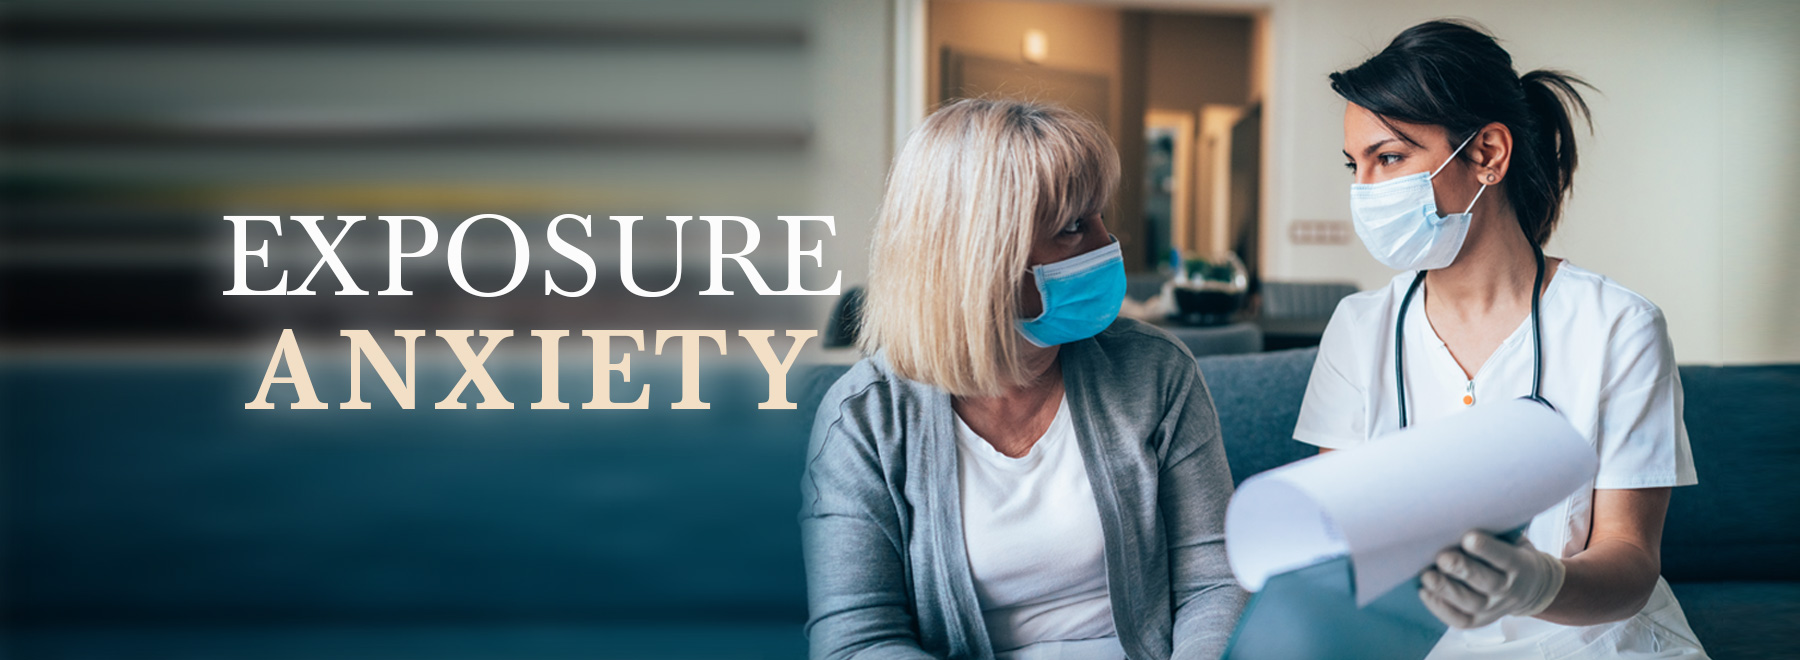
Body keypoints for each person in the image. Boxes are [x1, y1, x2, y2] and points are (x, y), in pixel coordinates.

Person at [1295, 19, 1706, 659]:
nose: (1364, 191)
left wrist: (1540, 583)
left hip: (1591, 643)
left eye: (1390, 158)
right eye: (1357, 165)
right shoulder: (1358, 329)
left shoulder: (1619, 326)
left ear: (1487, 153)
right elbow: (1338, 541)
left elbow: (1630, 561)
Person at [800, 98, 1246, 660]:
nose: (1109, 244)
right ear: (978, 258)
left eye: (1101, 217)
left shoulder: (1156, 371)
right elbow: (857, 639)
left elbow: (1214, 581)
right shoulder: (865, 417)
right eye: (1073, 227)